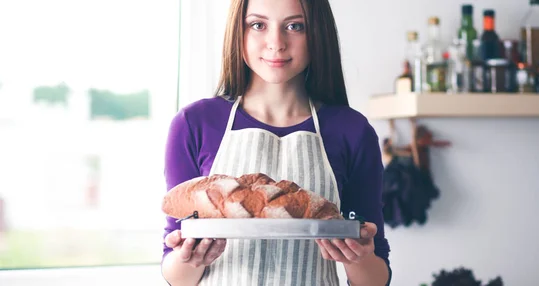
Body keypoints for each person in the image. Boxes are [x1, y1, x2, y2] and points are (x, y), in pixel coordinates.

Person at [160, 0, 391, 285]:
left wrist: (358, 257)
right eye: (258, 25)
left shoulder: (353, 131)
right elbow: (175, 274)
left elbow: (376, 277)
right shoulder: (194, 124)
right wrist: (188, 260)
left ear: (318, 32)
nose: (276, 43)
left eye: (295, 26)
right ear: (238, 31)